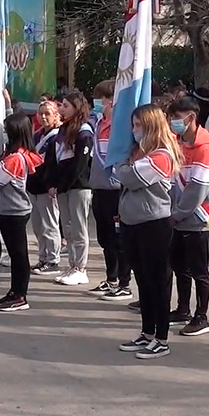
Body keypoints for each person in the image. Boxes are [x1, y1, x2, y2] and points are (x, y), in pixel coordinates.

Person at [115, 104, 183, 360]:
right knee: (142, 280)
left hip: (154, 224)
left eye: (138, 125)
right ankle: (147, 332)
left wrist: (122, 167)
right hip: (133, 223)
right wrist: (123, 167)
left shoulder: (162, 155)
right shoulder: (139, 154)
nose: (134, 130)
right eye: (133, 125)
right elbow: (122, 175)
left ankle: (162, 338)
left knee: (158, 282)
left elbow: (129, 178)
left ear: (151, 126)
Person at [167, 97, 209, 337]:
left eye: (177, 118)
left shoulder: (206, 148)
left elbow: (197, 190)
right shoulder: (179, 145)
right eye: (172, 118)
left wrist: (176, 214)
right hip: (178, 218)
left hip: (197, 218)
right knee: (180, 266)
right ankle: (182, 308)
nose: (173, 122)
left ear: (191, 118)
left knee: (199, 269)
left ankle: (202, 315)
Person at [0, 112, 43, 312]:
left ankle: (20, 295)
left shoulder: (16, 158)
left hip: (15, 211)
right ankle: (14, 291)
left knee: (19, 256)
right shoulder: (13, 155)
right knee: (14, 253)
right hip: (7, 209)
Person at [47, 92, 94, 287]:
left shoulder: (84, 132)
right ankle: (72, 264)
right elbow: (56, 158)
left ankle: (80, 268)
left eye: (65, 105)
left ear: (76, 107)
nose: (61, 109)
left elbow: (79, 165)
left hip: (78, 187)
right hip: (63, 187)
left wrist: (63, 185)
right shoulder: (64, 130)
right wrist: (54, 183)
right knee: (67, 227)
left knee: (78, 227)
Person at [88, 80, 130, 300]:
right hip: (99, 187)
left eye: (100, 98)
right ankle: (111, 278)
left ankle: (124, 282)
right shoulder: (98, 123)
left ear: (111, 100)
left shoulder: (120, 127)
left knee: (118, 238)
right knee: (104, 237)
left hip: (115, 188)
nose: (96, 102)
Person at [27, 100, 62, 275]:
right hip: (34, 185)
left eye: (47, 113)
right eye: (40, 113)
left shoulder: (57, 136)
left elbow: (53, 164)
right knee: (38, 225)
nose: (43, 117)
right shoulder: (37, 135)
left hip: (46, 186)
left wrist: (52, 183)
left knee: (50, 224)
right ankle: (42, 257)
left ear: (56, 115)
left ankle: (53, 259)